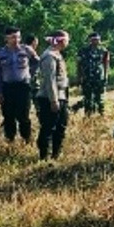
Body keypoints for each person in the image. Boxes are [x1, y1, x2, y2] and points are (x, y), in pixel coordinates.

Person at [0, 27, 39, 143]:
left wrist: (30, 75)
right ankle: (10, 139)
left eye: (18, 37)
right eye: (13, 37)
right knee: (8, 115)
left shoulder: (26, 50)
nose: (16, 40)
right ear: (6, 38)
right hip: (7, 87)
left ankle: (26, 138)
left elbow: (37, 62)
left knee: (23, 115)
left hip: (23, 87)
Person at [36, 30, 71, 160]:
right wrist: (53, 100)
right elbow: (50, 80)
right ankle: (44, 156)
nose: (68, 42)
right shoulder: (49, 56)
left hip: (61, 96)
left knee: (61, 126)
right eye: (67, 40)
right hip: (49, 98)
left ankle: (56, 155)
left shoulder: (57, 55)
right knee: (48, 127)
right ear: (61, 40)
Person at [74, 32, 110, 115]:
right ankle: (88, 117)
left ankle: (101, 116)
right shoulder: (83, 51)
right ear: (90, 40)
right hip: (87, 78)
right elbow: (79, 65)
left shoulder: (104, 51)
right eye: (94, 40)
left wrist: (106, 76)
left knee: (100, 99)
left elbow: (106, 64)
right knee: (88, 99)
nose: (96, 41)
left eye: (98, 40)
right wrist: (79, 78)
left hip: (99, 78)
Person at [24, 35, 41, 113]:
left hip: (24, 81)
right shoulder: (29, 50)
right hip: (32, 80)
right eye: (37, 41)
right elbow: (39, 61)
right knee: (38, 102)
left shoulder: (20, 49)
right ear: (33, 41)